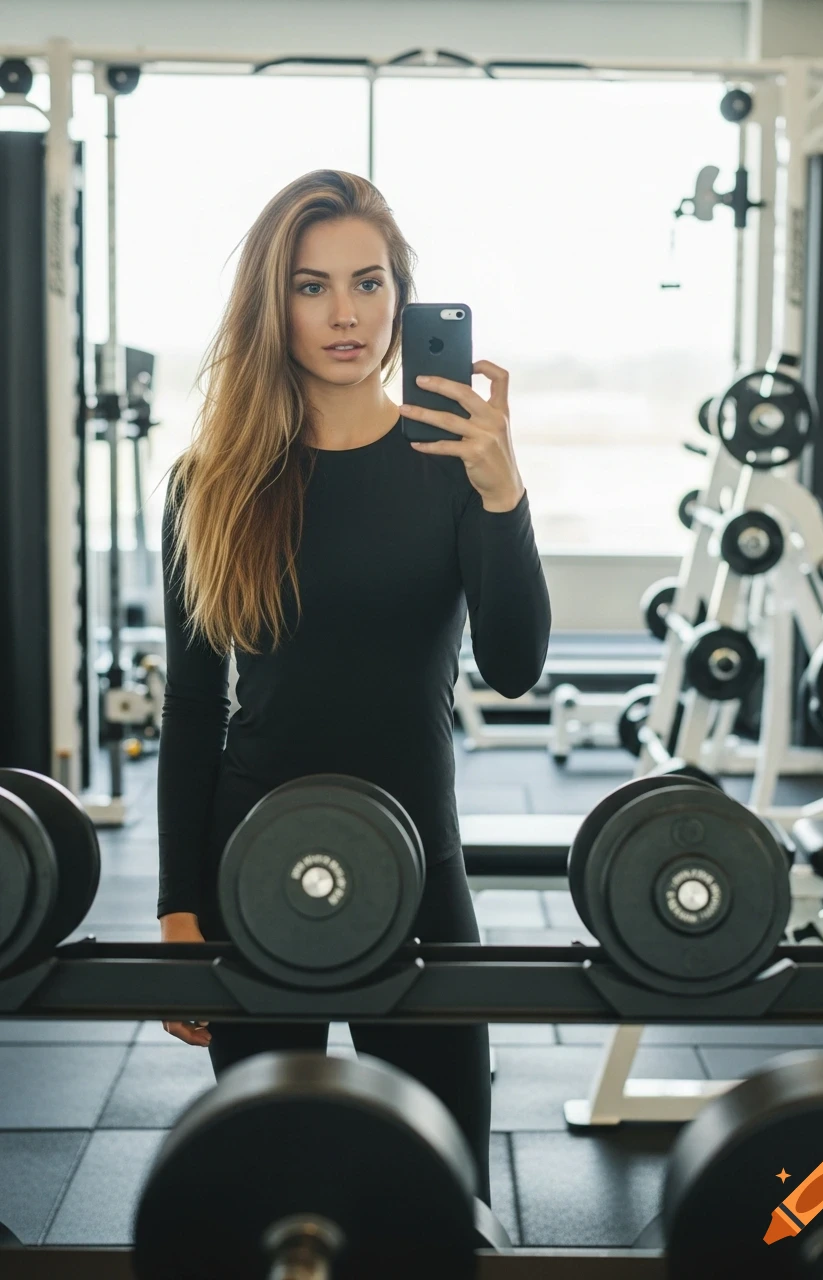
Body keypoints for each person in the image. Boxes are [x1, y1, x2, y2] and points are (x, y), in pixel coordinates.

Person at [155, 168, 551, 1204]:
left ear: (401, 296)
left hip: (422, 859)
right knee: (263, 1194)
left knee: (445, 1191)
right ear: (270, 303)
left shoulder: (452, 460)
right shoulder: (212, 479)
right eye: (310, 285)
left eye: (368, 282)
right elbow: (194, 706)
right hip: (253, 865)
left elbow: (514, 666)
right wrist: (177, 905)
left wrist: (504, 496)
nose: (344, 313)